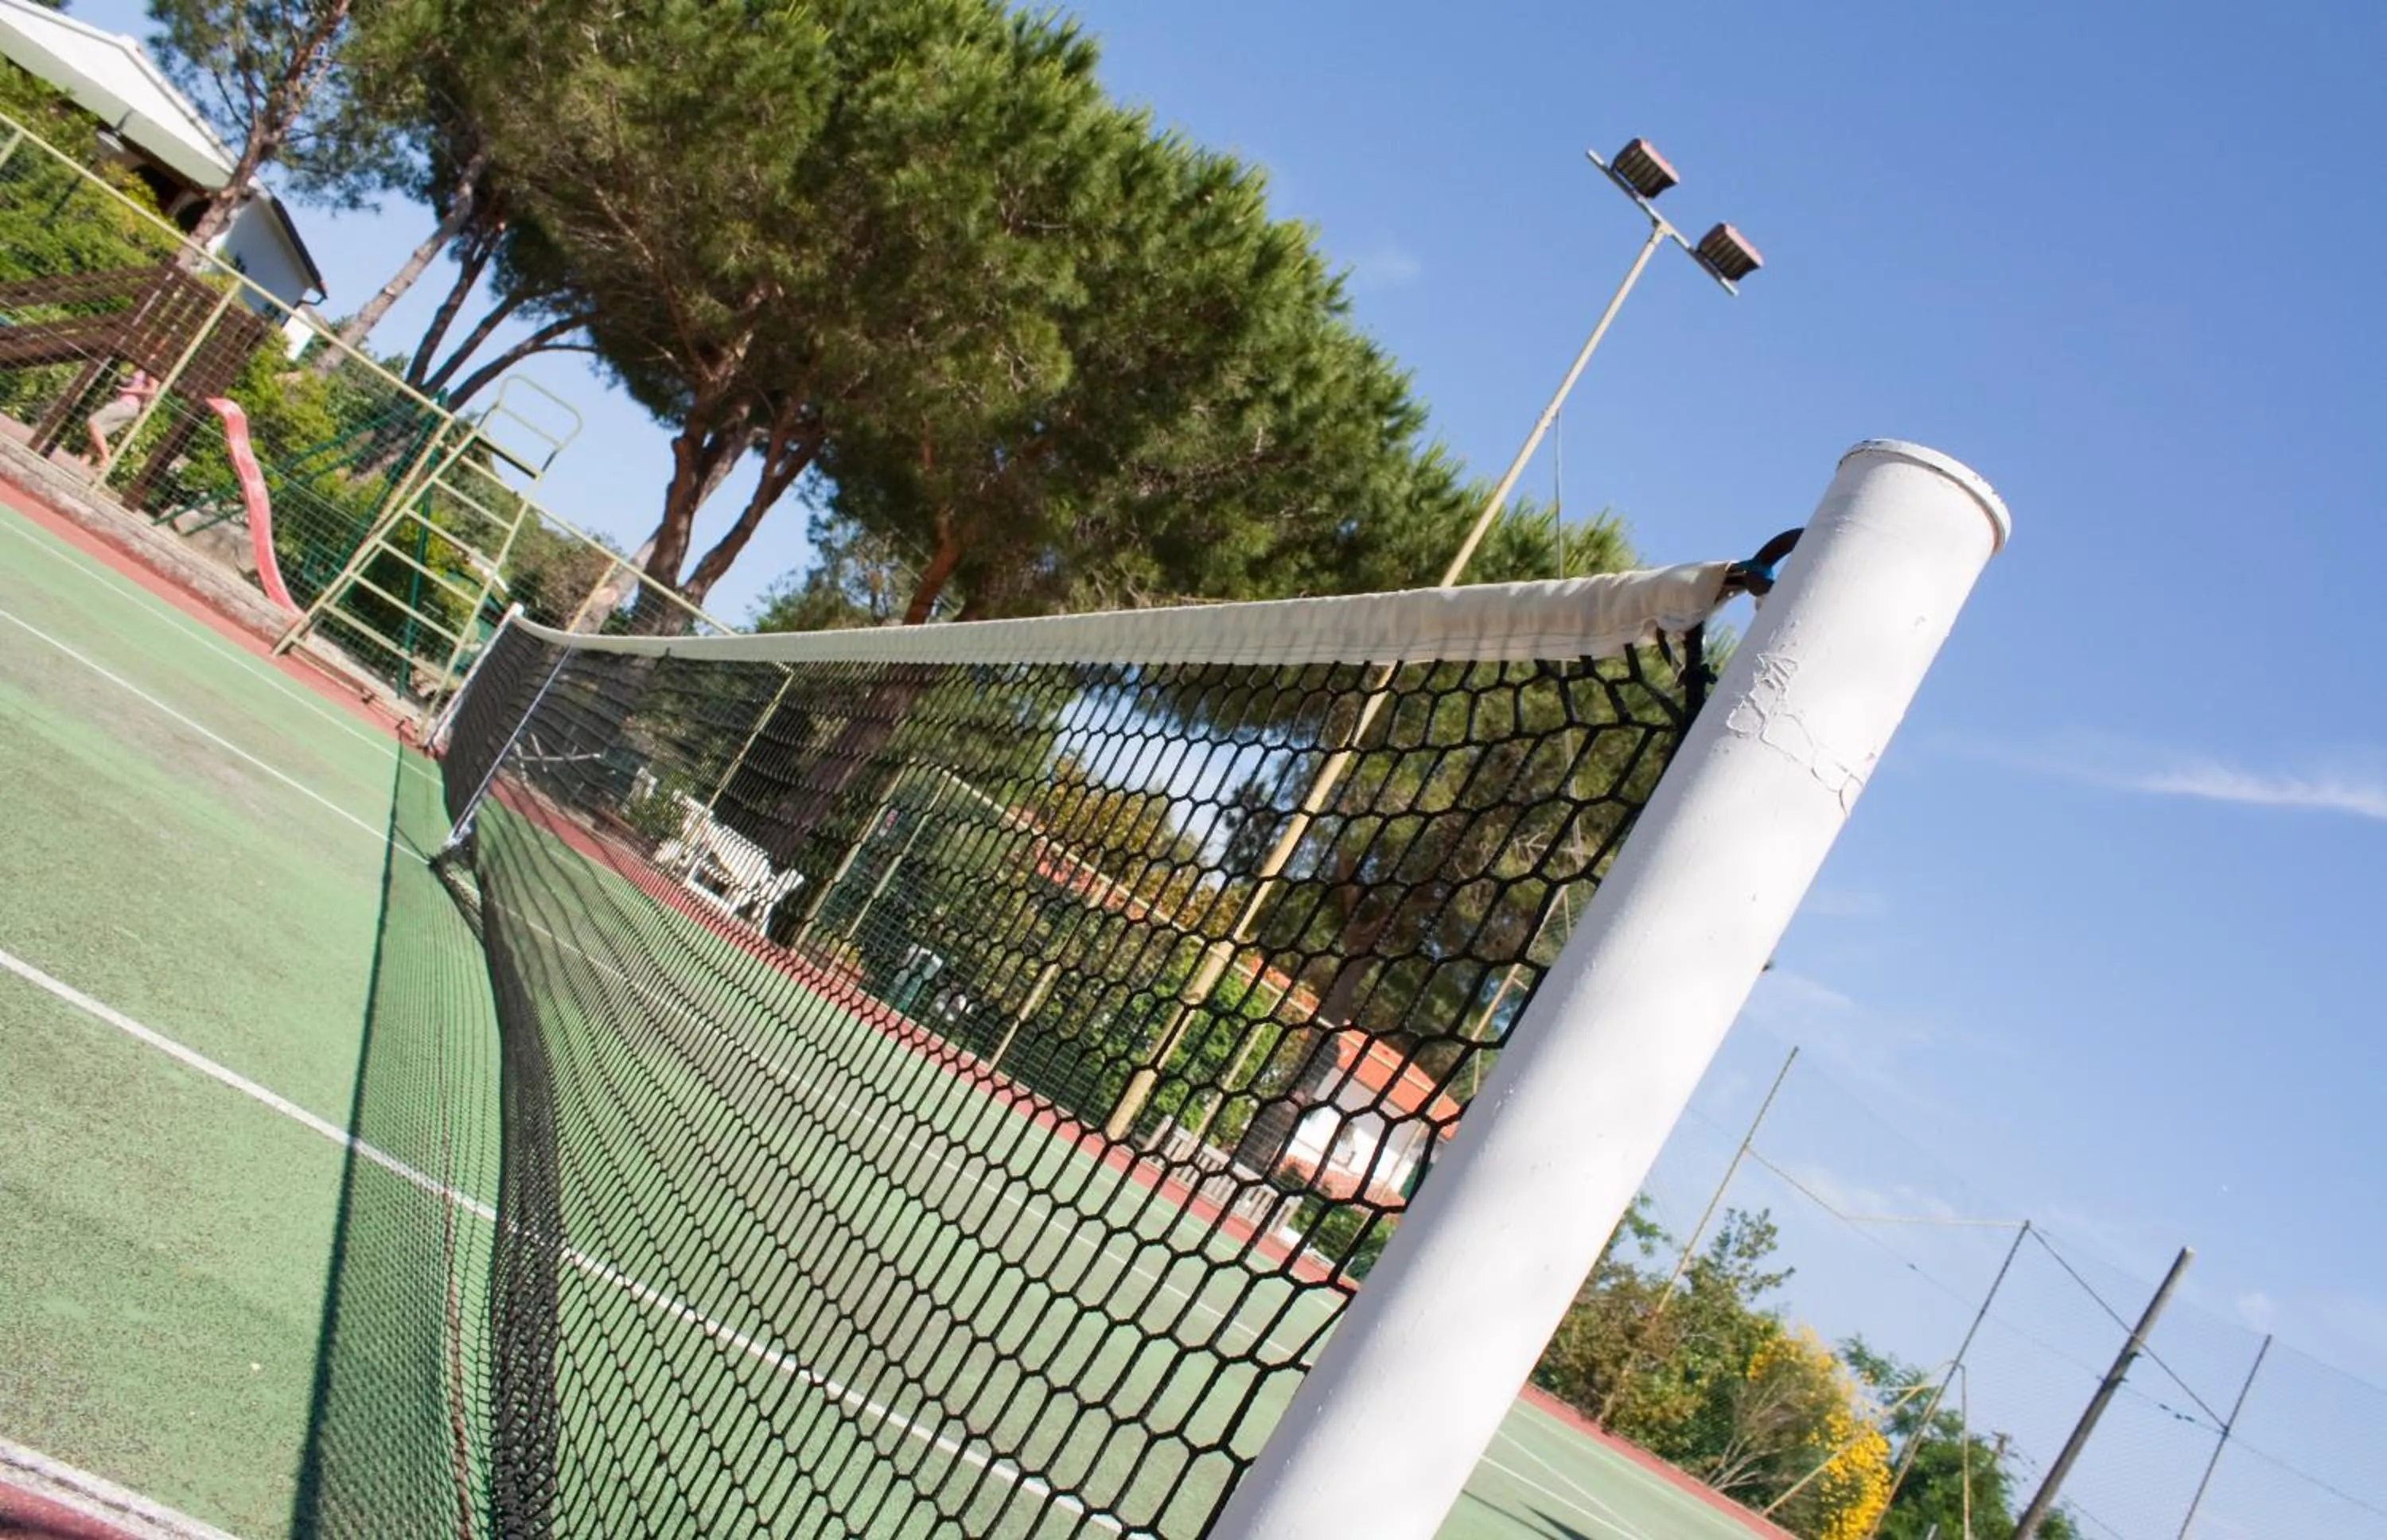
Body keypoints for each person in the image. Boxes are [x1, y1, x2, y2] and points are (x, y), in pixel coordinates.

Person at [83, 366, 159, 472]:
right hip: (125, 404)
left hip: (128, 404)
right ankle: (84, 463)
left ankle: (106, 457)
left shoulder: (152, 371)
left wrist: (128, 390)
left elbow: (152, 391)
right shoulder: (140, 367)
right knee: (99, 433)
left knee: (93, 422)